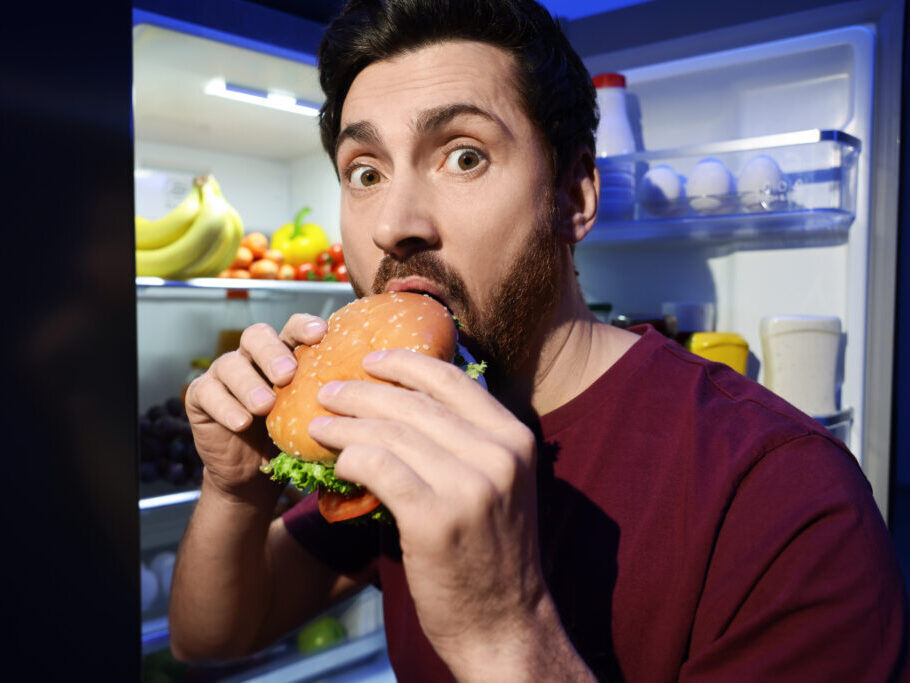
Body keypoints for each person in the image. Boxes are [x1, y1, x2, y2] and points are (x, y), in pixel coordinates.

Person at [170, 0, 910, 680]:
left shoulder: (786, 494)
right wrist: (234, 489)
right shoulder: (392, 417)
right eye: (364, 171)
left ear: (575, 196)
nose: (394, 223)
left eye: (464, 156)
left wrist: (504, 628)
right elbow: (211, 637)